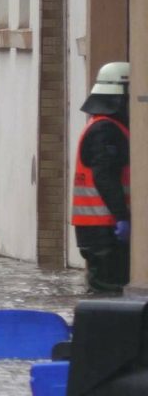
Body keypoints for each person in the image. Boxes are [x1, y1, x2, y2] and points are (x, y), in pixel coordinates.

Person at [72, 62, 131, 292]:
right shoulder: (106, 130)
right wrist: (121, 217)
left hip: (100, 227)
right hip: (105, 228)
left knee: (106, 292)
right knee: (109, 292)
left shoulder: (102, 126)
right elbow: (104, 176)